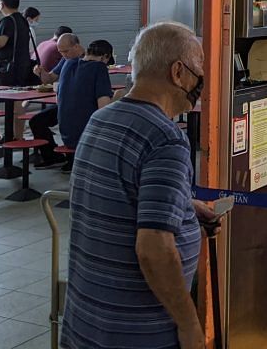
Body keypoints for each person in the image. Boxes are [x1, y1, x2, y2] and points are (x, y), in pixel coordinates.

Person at [62, 21, 217, 349]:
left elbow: (117, 199)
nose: (203, 76)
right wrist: (190, 324)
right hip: (138, 332)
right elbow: (154, 249)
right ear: (178, 72)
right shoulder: (165, 139)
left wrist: (182, 206)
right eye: (200, 66)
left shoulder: (101, 120)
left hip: (88, 322)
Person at [29, 33, 84, 168]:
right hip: (63, 105)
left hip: (81, 106)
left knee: (72, 124)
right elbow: (49, 79)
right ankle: (52, 156)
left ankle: (74, 158)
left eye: (66, 51)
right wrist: (41, 72)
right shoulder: (65, 60)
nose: (63, 54)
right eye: (60, 52)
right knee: (36, 121)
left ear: (76, 46)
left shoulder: (88, 61)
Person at [0, 0, 36, 87]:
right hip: (23, 66)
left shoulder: (7, 21)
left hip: (6, 68)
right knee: (17, 93)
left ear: (2, 4)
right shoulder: (23, 20)